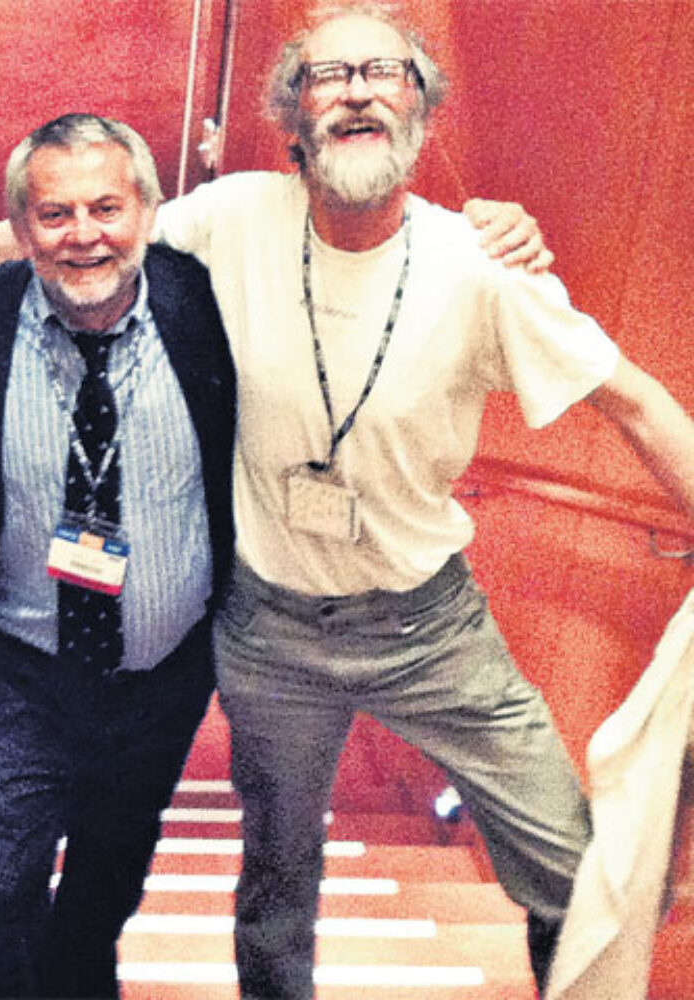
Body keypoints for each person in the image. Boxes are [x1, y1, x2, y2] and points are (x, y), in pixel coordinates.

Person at [148, 6, 694, 997]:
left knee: (575, 878)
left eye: (384, 72)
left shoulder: (482, 268)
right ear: (292, 112)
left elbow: (636, 404)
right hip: (271, 633)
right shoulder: (232, 218)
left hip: (430, 630)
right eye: (329, 74)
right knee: (276, 879)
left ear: (421, 107)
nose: (358, 90)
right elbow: (83, 239)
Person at [0, 113, 234, 998]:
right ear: (19, 226)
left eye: (106, 208)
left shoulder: (208, 305)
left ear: (149, 211)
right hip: (14, 665)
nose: (84, 235)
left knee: (114, 863)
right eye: (55, 213)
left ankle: (80, 972)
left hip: (162, 674)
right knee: (2, 874)